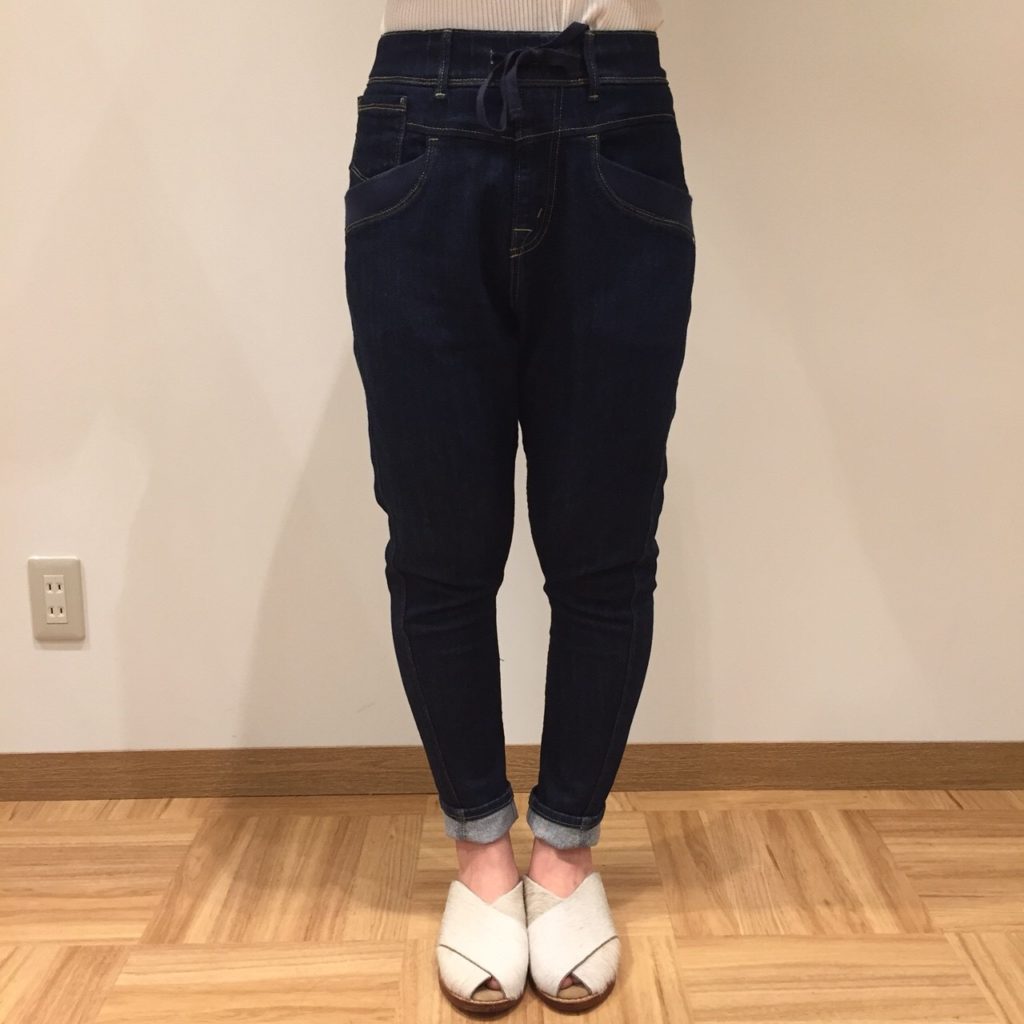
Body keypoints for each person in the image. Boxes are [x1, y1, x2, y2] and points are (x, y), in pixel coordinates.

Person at [344, 0, 694, 1011]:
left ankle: (567, 854)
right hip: (419, 119)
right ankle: (482, 855)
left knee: (606, 544)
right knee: (438, 543)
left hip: (616, 111)